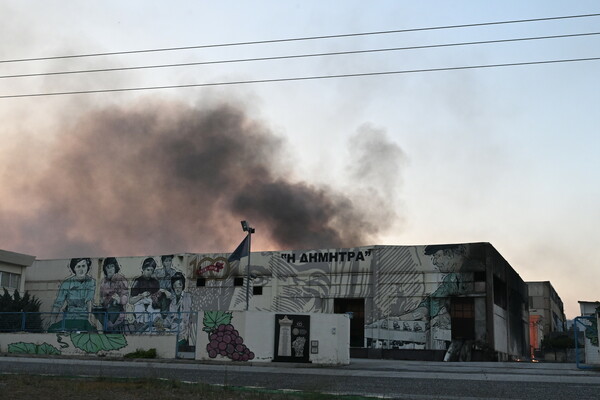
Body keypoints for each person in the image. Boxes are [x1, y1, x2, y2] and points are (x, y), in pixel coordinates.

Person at [49, 258, 96, 332]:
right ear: (74, 268)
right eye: (78, 266)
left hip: (83, 319)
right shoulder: (66, 283)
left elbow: (89, 300)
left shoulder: (91, 281)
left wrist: (89, 319)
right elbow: (58, 303)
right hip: (69, 318)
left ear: (87, 267)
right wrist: (52, 322)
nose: (81, 269)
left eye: (83, 266)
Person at [98, 257, 129, 331]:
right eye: (108, 267)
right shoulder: (103, 282)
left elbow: (125, 297)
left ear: (115, 267)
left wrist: (119, 300)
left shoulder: (121, 279)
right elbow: (101, 297)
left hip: (117, 315)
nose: (110, 269)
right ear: (105, 269)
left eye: (112, 266)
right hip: (106, 314)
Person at [167, 272, 192, 345]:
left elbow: (188, 317)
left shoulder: (187, 297)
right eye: (175, 286)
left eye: (179, 285)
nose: (177, 288)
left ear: (183, 286)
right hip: (174, 333)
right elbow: (170, 318)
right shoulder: (173, 302)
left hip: (184, 334)